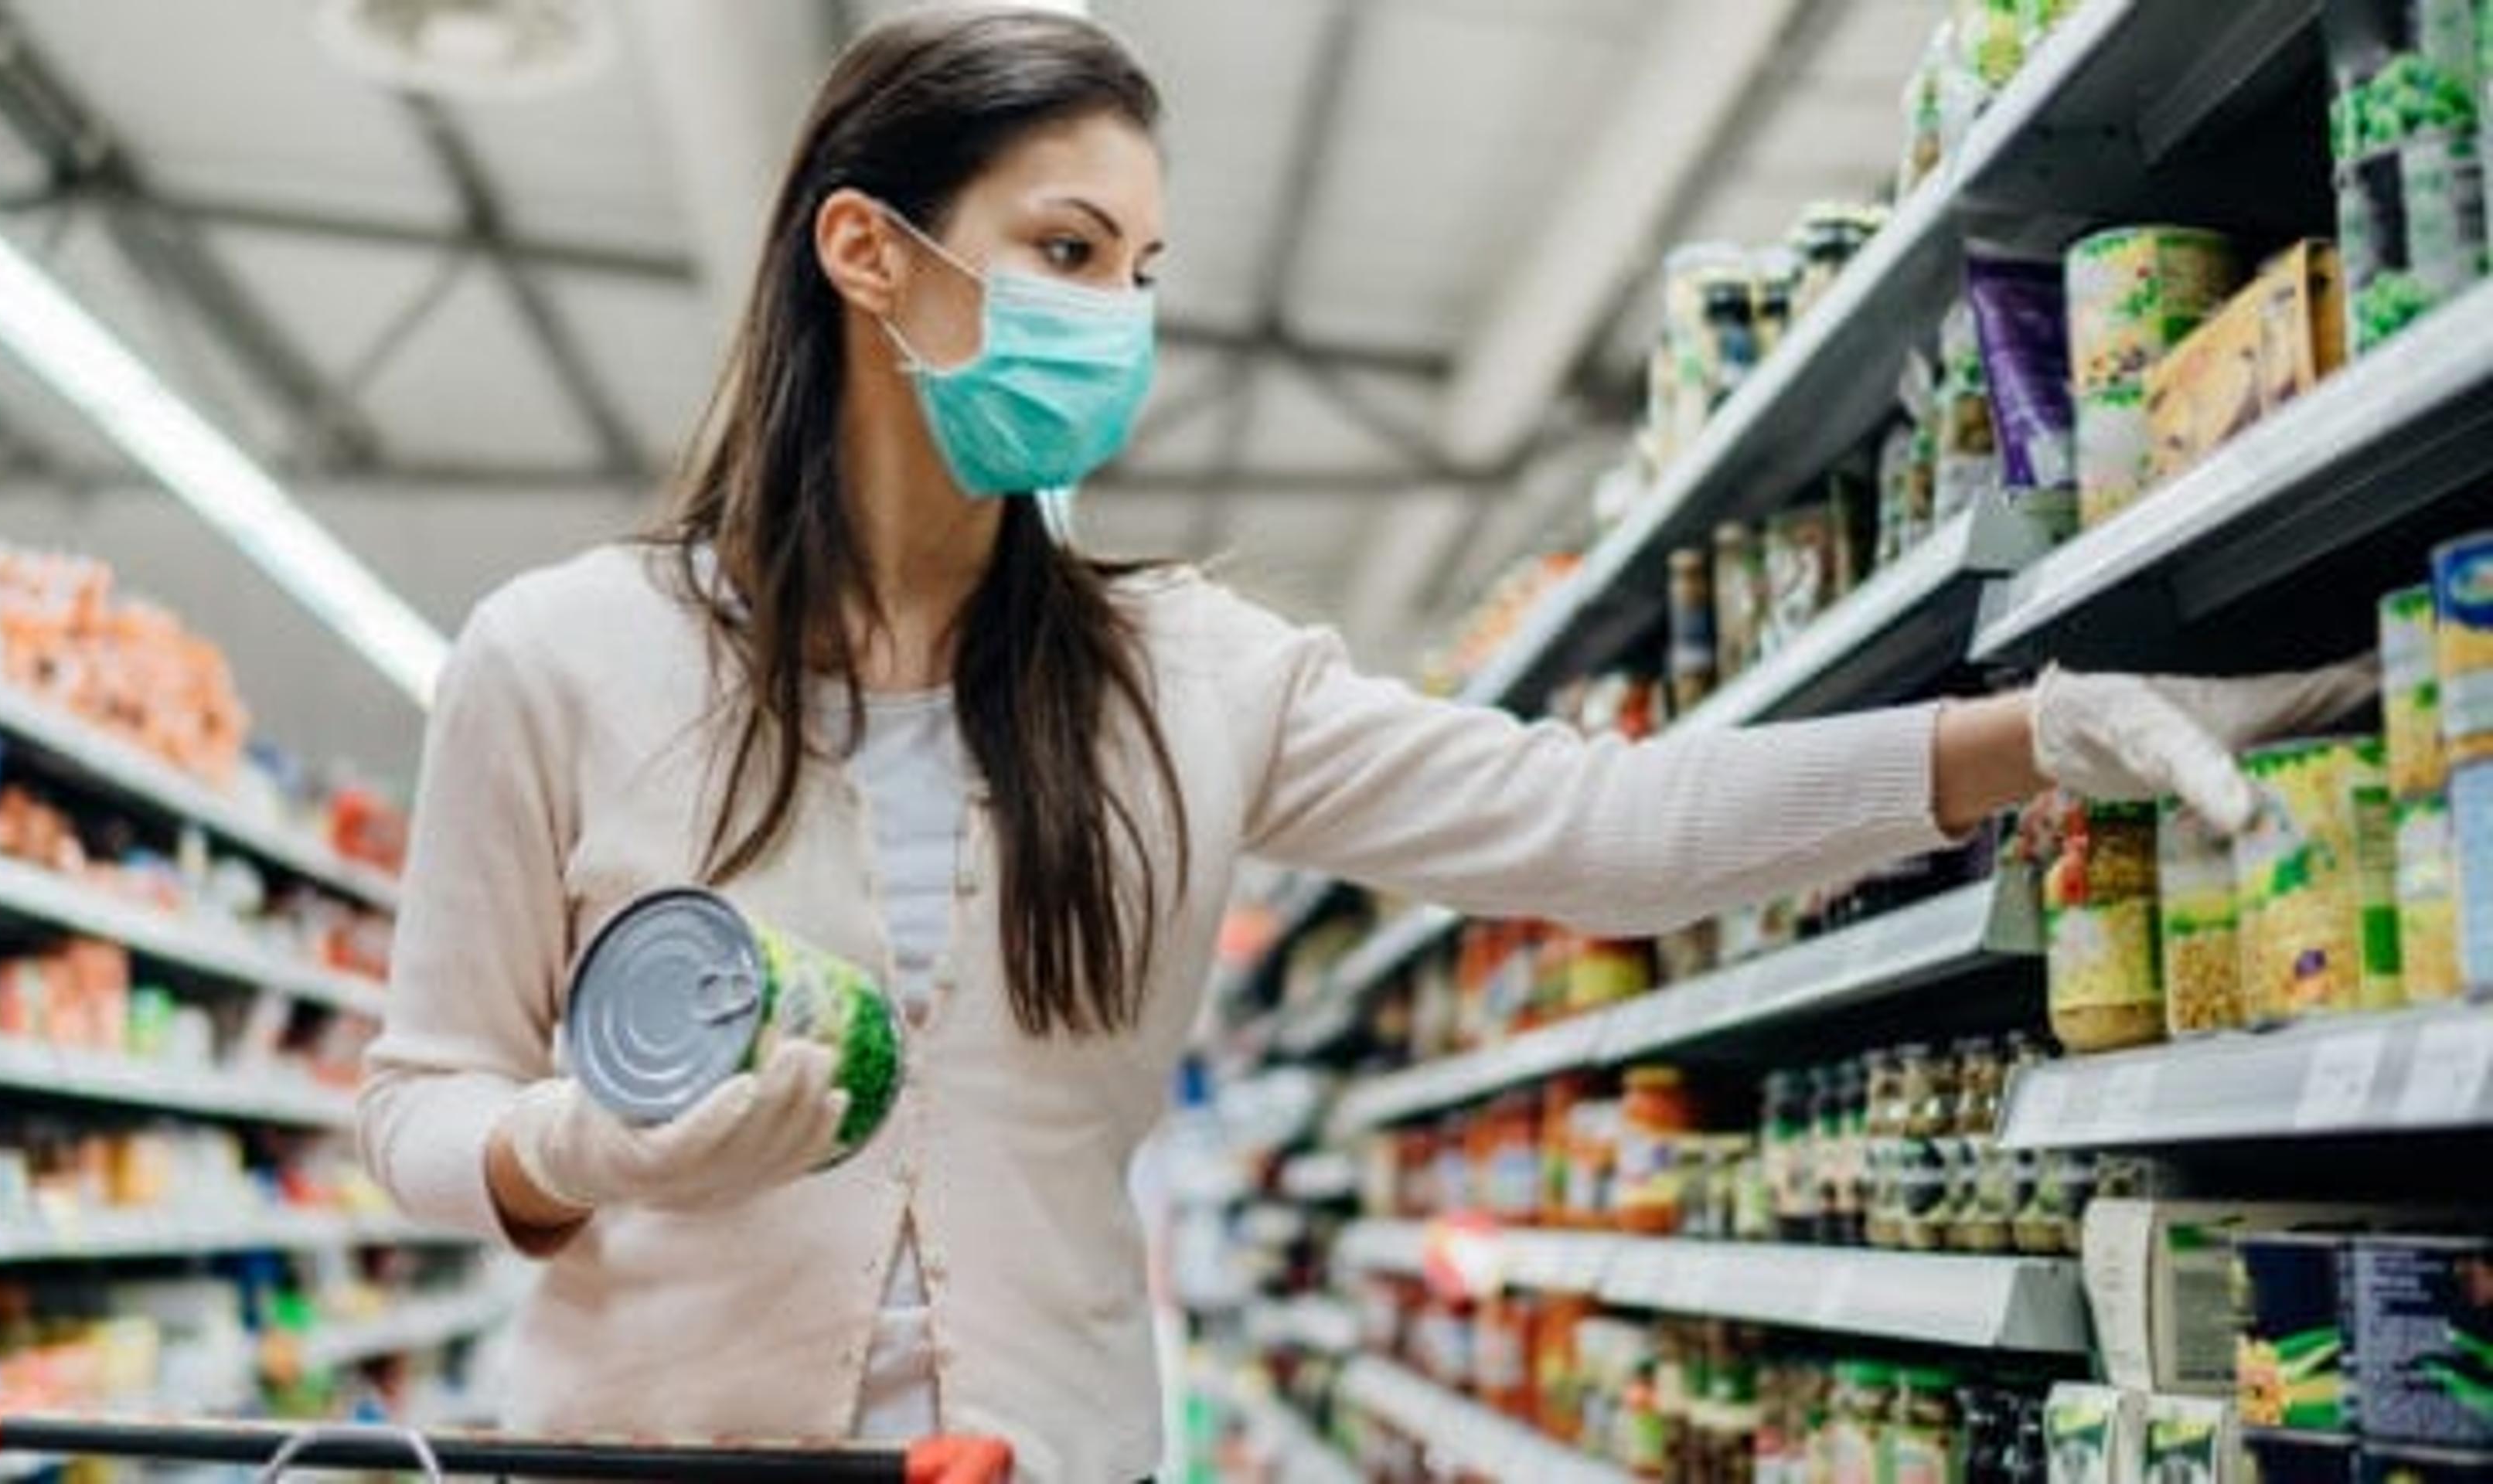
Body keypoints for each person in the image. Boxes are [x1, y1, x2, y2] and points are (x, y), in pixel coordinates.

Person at [356, 7, 2372, 1478]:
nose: (1118, 322)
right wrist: (566, 1147)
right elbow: (418, 1103)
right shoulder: (559, 656)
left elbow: (1616, 828)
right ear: (868, 250)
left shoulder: (1190, 674)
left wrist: (2033, 728)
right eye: (1064, 253)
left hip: (1047, 1456)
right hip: (635, 1452)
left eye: (1141, 275)